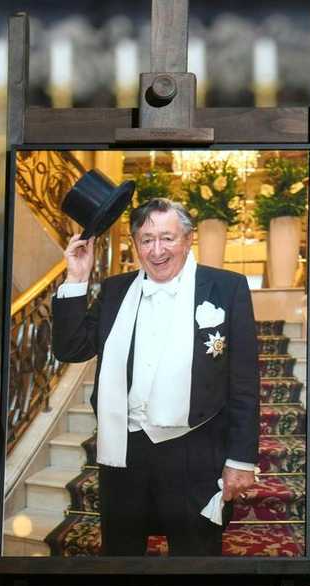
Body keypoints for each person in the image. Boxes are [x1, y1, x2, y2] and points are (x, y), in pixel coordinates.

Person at [52, 197, 259, 556]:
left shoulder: (227, 288)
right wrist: (77, 277)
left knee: (196, 558)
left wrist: (239, 461)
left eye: (167, 237)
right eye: (147, 239)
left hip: (195, 448)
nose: (157, 250)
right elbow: (71, 349)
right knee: (122, 556)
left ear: (188, 239)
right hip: (125, 450)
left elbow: (243, 384)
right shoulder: (115, 290)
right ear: (135, 244)